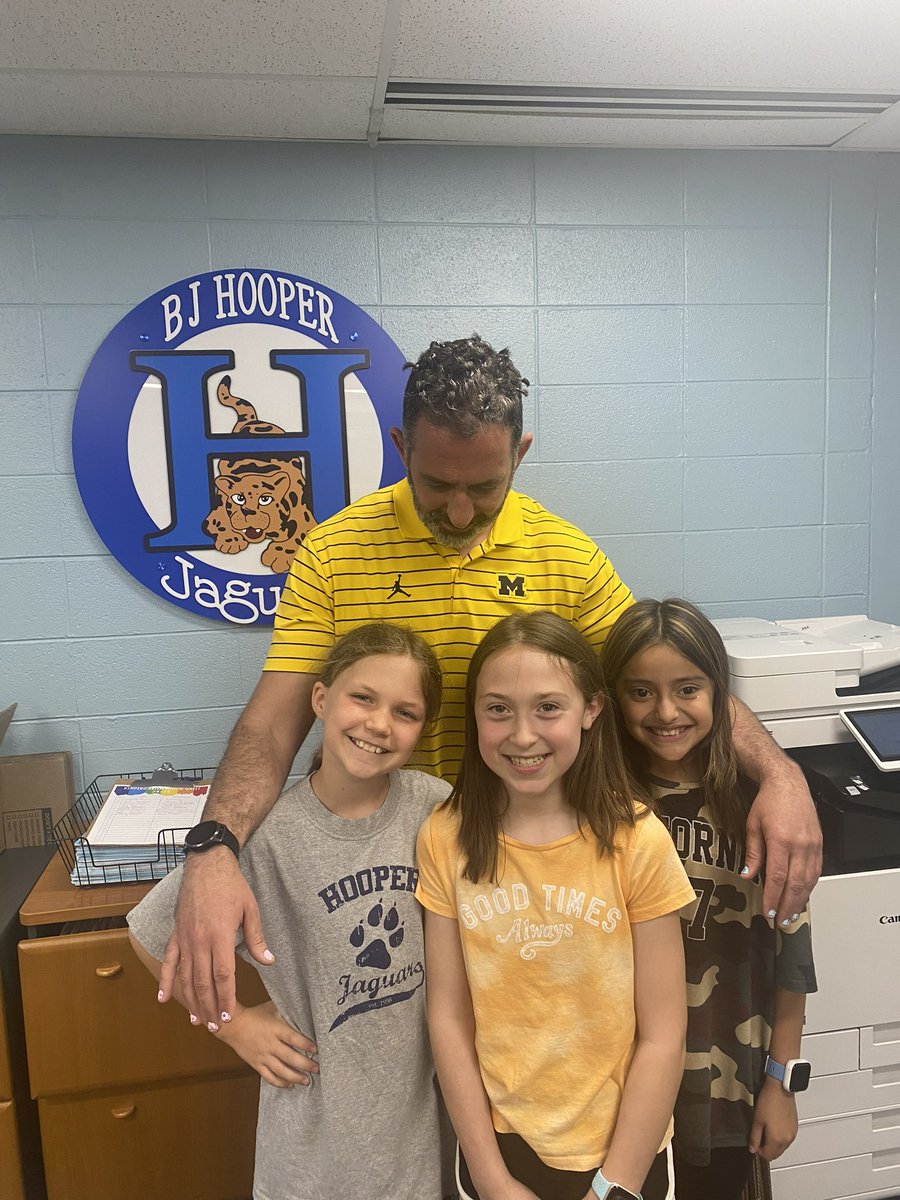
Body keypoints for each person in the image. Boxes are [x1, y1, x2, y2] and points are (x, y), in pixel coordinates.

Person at [165, 334, 822, 1027]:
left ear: (521, 454)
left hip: (522, 878)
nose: (457, 512)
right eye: (437, 485)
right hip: (382, 874)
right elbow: (273, 724)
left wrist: (781, 775)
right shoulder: (332, 554)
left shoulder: (566, 557)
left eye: (484, 488)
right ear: (400, 446)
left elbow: (667, 684)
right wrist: (213, 847)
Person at [127, 623, 453, 1200]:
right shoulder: (265, 837)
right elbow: (149, 935)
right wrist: (235, 1026)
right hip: (311, 1148)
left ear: (423, 728)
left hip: (417, 1143)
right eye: (363, 698)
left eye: (405, 712)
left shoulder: (434, 808)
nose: (379, 724)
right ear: (321, 700)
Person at [416, 611, 696, 1200]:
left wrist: (616, 1185)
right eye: (498, 709)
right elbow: (448, 1017)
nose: (522, 735)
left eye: (548, 707)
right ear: (474, 714)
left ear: (591, 710)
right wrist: (491, 1178)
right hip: (499, 1151)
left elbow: (664, 1035)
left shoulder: (637, 840)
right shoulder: (444, 837)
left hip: (623, 1153)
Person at [602, 598, 818, 1200]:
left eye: (688, 689)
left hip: (730, 1090)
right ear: (612, 699)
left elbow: (792, 961)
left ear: (719, 693)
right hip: (619, 1090)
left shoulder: (763, 805)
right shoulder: (601, 798)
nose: (666, 711)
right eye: (641, 692)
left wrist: (782, 1083)